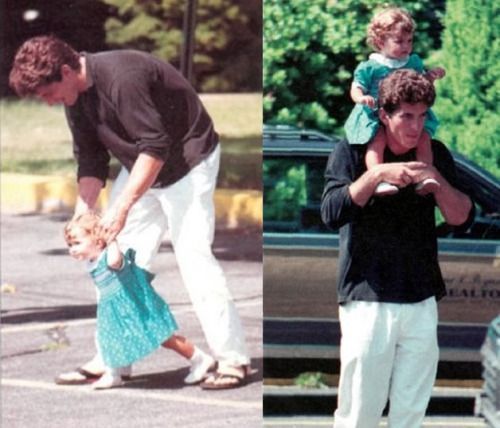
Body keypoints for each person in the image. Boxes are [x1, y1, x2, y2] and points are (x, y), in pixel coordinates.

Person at [9, 35, 251, 390]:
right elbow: (91, 158)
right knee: (109, 260)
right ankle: (113, 360)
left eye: (47, 94)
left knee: (194, 258)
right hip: (142, 164)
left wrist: (121, 208)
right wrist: (84, 214)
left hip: (188, 162)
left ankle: (232, 359)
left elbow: (155, 146)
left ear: (65, 70)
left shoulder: (122, 78)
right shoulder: (75, 95)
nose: (47, 103)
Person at [321, 69, 473, 428]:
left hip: (421, 300)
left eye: (422, 116)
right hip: (367, 299)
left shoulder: (434, 154)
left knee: (410, 412)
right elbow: (330, 212)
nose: (415, 126)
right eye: (406, 115)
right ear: (385, 115)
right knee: (360, 411)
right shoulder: (352, 151)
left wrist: (435, 184)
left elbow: (461, 217)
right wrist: (375, 176)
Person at [63, 212, 215, 389]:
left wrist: (112, 241)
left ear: (98, 242)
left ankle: (200, 358)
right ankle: (114, 374)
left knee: (163, 336)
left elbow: (114, 262)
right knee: (109, 338)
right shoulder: (91, 259)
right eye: (70, 244)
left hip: (133, 304)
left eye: (77, 243)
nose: (72, 249)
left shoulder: (109, 255)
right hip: (113, 307)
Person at [344, 6, 446, 196]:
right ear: (380, 41)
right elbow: (356, 87)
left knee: (424, 138)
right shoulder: (370, 67)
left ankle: (425, 176)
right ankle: (378, 178)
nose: (406, 46)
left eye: (409, 41)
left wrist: (431, 76)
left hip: (405, 116)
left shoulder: (412, 62)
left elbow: (420, 84)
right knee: (377, 140)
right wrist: (361, 98)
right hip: (377, 114)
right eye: (399, 41)